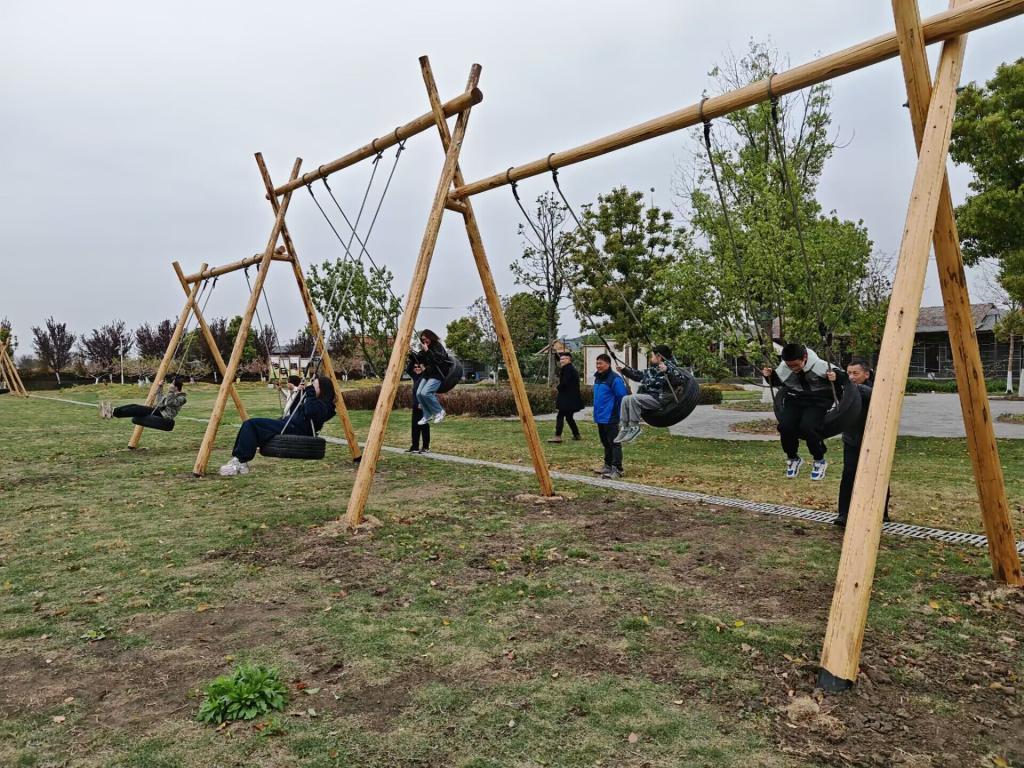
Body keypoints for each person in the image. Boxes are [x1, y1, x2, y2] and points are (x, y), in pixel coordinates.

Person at [219, 375, 336, 476]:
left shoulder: (326, 407)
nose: (312, 388)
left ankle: (240, 461)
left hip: (296, 430)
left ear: (323, 389)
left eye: (314, 386)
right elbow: (294, 410)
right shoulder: (315, 401)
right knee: (250, 425)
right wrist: (300, 395)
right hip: (288, 424)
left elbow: (311, 412)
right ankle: (239, 460)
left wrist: (310, 393)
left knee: (252, 424)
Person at [762, 342, 847, 481]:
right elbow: (777, 382)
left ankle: (819, 460)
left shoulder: (820, 365)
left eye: (796, 365)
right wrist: (769, 376)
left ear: (805, 357)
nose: (793, 369)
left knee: (808, 427)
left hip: (818, 400)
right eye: (790, 366)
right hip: (795, 398)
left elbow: (844, 378)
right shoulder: (784, 367)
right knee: (785, 426)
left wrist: (835, 377)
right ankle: (793, 458)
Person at [831, 359, 891, 527]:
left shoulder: (876, 388)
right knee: (848, 474)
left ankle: (882, 512)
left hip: (874, 439)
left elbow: (874, 396)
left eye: (855, 373)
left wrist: (850, 385)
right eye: (848, 373)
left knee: (878, 475)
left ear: (866, 374)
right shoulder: (846, 389)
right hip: (851, 439)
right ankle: (844, 513)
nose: (851, 377)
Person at [613, 345, 688, 444]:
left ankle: (634, 427)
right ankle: (624, 427)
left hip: (660, 398)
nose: (651, 357)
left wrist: (667, 371)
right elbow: (639, 375)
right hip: (650, 396)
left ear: (659, 356)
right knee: (625, 399)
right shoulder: (654, 369)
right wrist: (624, 370)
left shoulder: (672, 367)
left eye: (652, 355)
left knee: (633, 399)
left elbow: (681, 380)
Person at [592, 353, 629, 478]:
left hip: (611, 416)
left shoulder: (614, 379)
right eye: (597, 363)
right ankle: (607, 465)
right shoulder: (598, 378)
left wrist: (621, 413)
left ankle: (617, 468)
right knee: (605, 442)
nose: (598, 366)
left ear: (608, 364)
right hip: (600, 417)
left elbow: (622, 397)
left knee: (614, 442)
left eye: (600, 363)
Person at [106, 375, 187, 421]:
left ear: (176, 387)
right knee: (133, 405)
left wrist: (171, 391)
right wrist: (160, 387)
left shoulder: (182, 398)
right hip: (159, 411)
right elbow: (160, 400)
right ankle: (113, 411)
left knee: (138, 409)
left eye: (171, 384)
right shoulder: (171, 394)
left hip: (164, 415)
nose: (169, 385)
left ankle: (113, 413)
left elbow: (169, 403)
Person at [412, 329, 450, 426]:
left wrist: (428, 351)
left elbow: (439, 360)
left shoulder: (438, 346)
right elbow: (419, 359)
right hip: (428, 374)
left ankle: (440, 411)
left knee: (426, 393)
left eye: (426, 339)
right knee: (419, 393)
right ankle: (427, 415)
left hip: (437, 374)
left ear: (430, 337)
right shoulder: (425, 348)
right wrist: (410, 353)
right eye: (423, 340)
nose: (424, 341)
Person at [548, 352, 583, 443]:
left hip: (567, 398)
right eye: (561, 359)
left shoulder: (568, 369)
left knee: (560, 415)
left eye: (564, 359)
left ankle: (557, 436)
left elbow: (565, 382)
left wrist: (558, 387)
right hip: (571, 397)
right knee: (569, 417)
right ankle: (576, 434)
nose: (561, 361)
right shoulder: (570, 368)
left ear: (569, 359)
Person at [405, 352, 431, 454]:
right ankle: (415, 447)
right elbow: (408, 369)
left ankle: (426, 447)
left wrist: (422, 364)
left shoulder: (426, 376)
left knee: (424, 427)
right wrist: (413, 359)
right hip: (416, 406)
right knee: (415, 427)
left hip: (423, 406)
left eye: (419, 367)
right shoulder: (415, 377)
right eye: (415, 367)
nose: (417, 368)